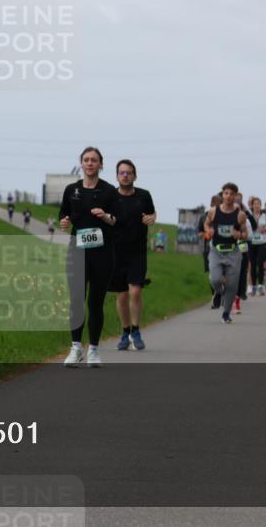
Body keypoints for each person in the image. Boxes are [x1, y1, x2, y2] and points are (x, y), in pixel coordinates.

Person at [60, 147, 118, 368]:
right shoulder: (71, 190)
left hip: (103, 253)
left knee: (95, 302)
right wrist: (64, 222)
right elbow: (64, 215)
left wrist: (105, 216)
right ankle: (76, 348)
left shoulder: (109, 191)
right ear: (81, 163)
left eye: (94, 160)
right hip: (77, 250)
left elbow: (117, 220)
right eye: (86, 160)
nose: (90, 163)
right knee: (76, 300)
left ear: (100, 164)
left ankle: (93, 349)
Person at [107, 159, 156, 351]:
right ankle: (125, 332)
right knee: (121, 296)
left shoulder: (144, 195)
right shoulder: (111, 197)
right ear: (117, 176)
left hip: (137, 251)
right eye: (122, 172)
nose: (125, 175)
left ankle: (136, 330)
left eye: (129, 172)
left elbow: (152, 215)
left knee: (135, 291)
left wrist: (152, 218)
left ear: (135, 175)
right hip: (116, 252)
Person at [204, 182, 249, 323]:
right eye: (226, 193)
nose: (228, 196)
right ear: (222, 195)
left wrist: (239, 235)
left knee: (232, 285)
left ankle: (226, 313)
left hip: (233, 252)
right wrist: (208, 230)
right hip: (216, 251)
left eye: (231, 194)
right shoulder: (213, 211)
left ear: (236, 196)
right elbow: (206, 223)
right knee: (215, 279)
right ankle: (218, 292)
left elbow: (246, 233)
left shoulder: (240, 215)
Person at [201, 194, 222, 301]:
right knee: (211, 273)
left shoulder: (225, 216)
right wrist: (206, 233)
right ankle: (214, 295)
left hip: (222, 249)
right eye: (214, 205)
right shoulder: (204, 216)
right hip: (208, 248)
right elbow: (199, 232)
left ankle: (220, 293)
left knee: (221, 273)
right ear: (211, 205)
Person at [247, 197, 266, 296]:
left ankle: (261, 286)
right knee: (252, 265)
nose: (257, 205)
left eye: (258, 204)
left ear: (261, 205)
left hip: (262, 242)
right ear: (252, 205)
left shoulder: (265, 215)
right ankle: (253, 287)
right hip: (252, 242)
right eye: (255, 204)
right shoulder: (248, 216)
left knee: (260, 264)